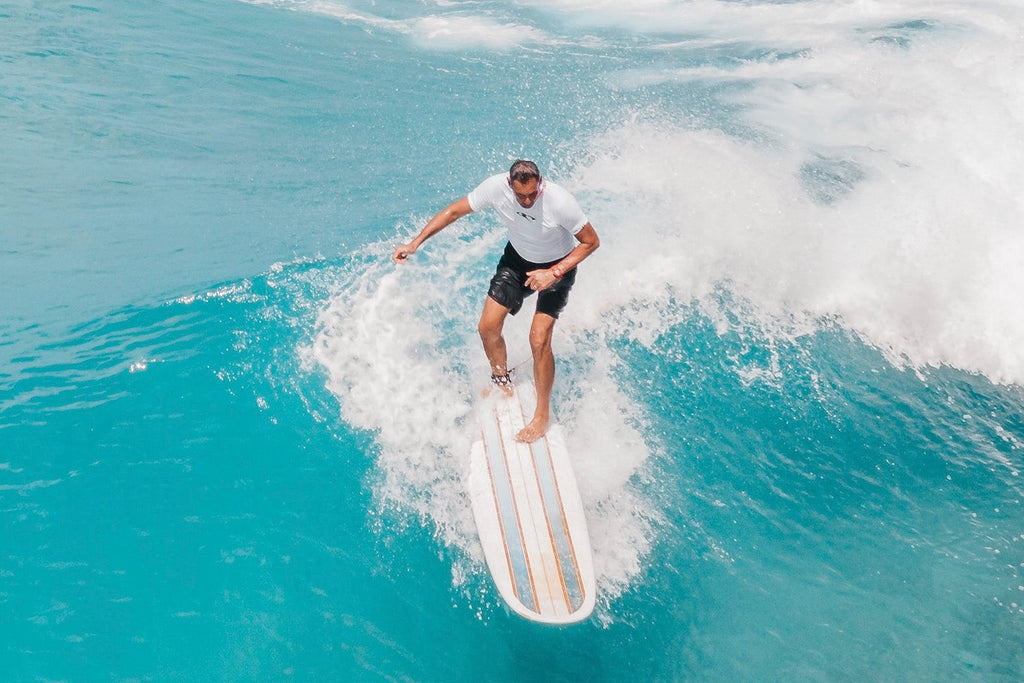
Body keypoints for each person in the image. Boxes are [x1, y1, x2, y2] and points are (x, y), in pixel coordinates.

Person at [392, 159, 600, 443]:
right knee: (487, 327)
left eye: (532, 194)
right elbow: (454, 211)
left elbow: (591, 242)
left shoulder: (559, 201)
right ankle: (502, 380)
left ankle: (541, 416)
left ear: (541, 182)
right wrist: (414, 243)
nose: (527, 201)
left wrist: (554, 273)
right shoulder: (495, 187)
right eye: (520, 196)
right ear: (509, 185)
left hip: (557, 267)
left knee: (538, 338)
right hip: (516, 262)